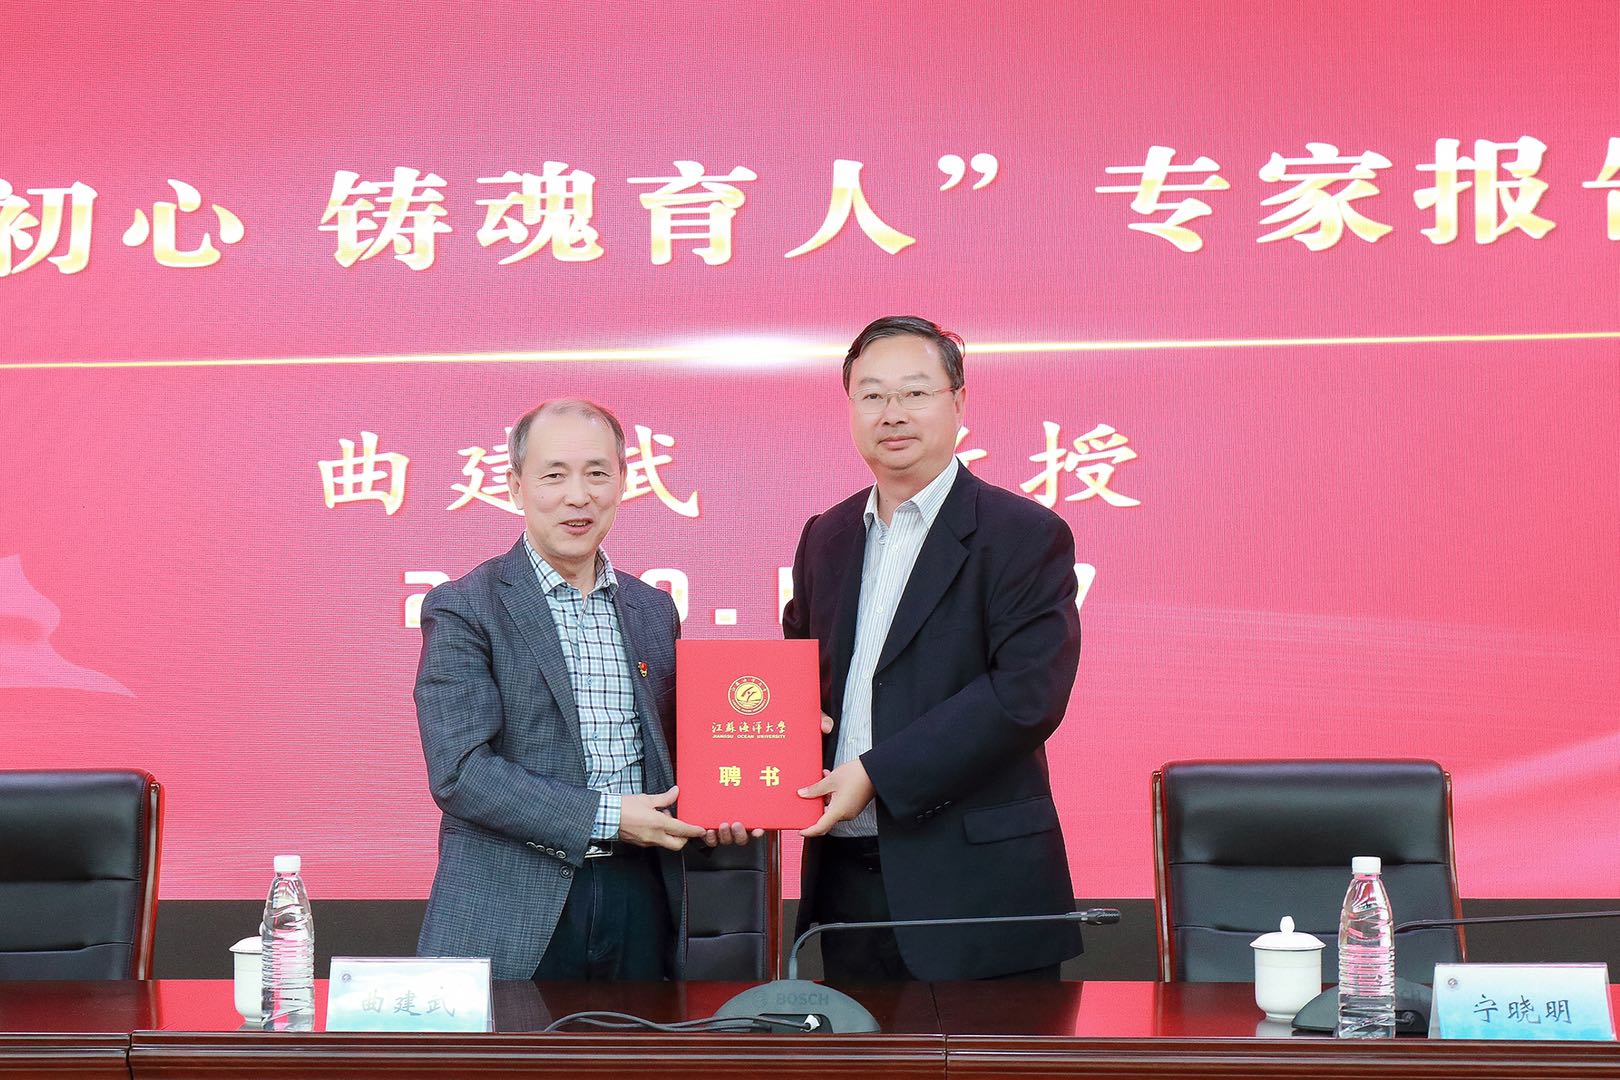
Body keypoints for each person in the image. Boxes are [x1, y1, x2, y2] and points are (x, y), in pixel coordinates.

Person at [785, 316, 1084, 981]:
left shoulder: (1023, 534)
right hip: (848, 887)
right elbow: (800, 681)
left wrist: (876, 772)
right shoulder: (825, 537)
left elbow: (1025, 696)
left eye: (915, 392)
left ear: (958, 402)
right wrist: (761, 761)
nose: (892, 413)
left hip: (977, 891)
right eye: (871, 395)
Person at [414, 398, 743, 981]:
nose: (578, 495)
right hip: (514, 901)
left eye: (596, 473)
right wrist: (608, 815)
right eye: (554, 475)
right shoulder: (465, 607)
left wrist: (729, 795)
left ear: (623, 482)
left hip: (641, 894)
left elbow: (682, 750)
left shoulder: (652, 609)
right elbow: (460, 772)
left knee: (645, 1043)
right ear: (515, 487)